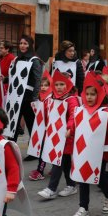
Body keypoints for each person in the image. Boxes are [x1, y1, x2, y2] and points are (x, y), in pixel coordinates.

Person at [69, 72, 108, 216]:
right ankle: (83, 207)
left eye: (92, 94)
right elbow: (75, 123)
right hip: (83, 151)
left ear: (99, 95)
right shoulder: (81, 110)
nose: (89, 97)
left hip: (100, 152)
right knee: (83, 178)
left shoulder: (105, 112)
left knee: (99, 178)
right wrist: (70, 130)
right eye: (86, 94)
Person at [37, 71, 79, 199]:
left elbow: (74, 115)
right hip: (55, 137)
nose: (59, 87)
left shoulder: (72, 100)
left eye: (62, 84)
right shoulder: (51, 99)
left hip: (67, 136)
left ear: (68, 85)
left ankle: (51, 189)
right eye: (57, 84)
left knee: (58, 161)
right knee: (65, 162)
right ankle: (71, 185)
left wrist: (70, 128)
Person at [3, 35, 43, 143]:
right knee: (13, 123)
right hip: (16, 96)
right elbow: (16, 77)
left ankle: (35, 152)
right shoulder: (17, 59)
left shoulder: (35, 60)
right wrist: (5, 79)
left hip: (28, 98)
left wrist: (34, 98)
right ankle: (11, 147)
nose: (22, 45)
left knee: (31, 124)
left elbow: (38, 80)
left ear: (30, 45)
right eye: (20, 43)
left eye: (25, 43)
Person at [28, 72, 54, 181]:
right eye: (42, 85)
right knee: (44, 149)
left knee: (45, 150)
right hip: (42, 130)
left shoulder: (51, 99)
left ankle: (40, 171)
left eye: (46, 85)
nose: (43, 87)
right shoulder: (41, 98)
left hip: (50, 130)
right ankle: (49, 168)